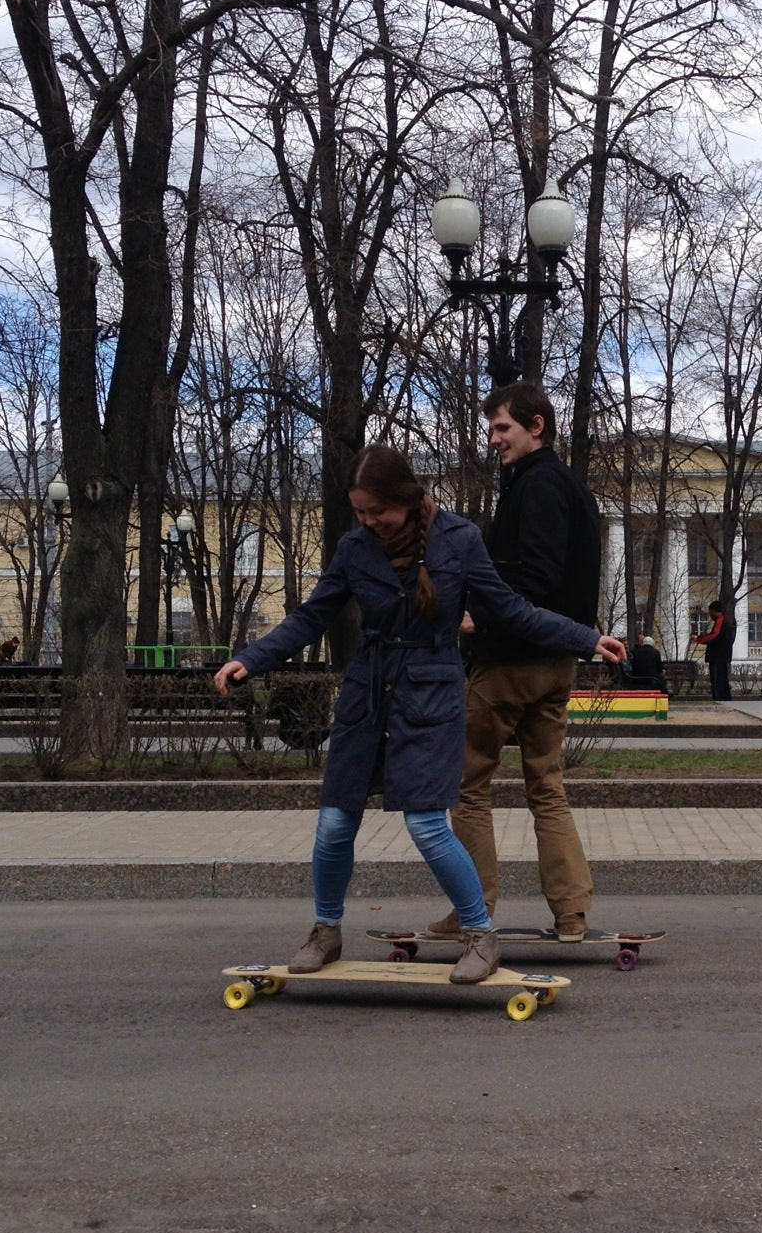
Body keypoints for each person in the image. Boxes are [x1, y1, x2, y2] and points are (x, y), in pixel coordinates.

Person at [214, 445, 625, 984]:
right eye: (359, 511)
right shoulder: (355, 548)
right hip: (367, 696)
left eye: (375, 510)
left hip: (431, 698)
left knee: (428, 825)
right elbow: (312, 616)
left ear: (405, 499)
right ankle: (326, 930)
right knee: (335, 825)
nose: (368, 521)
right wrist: (251, 658)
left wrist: (586, 637)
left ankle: (480, 935)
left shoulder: (459, 540)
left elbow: (512, 609)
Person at [428, 383, 605, 944]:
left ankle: (471, 909)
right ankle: (572, 913)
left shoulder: (539, 487)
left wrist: (481, 614)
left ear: (537, 426)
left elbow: (535, 576)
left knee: (464, 783)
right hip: (557, 659)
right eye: (492, 429)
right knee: (546, 786)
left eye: (503, 428)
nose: (493, 439)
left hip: (512, 660)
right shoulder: (568, 488)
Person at [694, 598, 734, 701]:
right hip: (722, 656)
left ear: (714, 611)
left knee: (717, 680)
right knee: (723, 680)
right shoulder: (724, 621)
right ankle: (725, 699)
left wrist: (699, 639)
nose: (709, 614)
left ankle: (719, 699)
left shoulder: (720, 621)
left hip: (717, 657)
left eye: (710, 611)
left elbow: (714, 636)